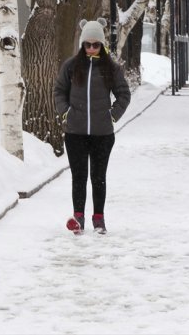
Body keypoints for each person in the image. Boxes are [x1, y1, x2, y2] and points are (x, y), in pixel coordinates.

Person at [54, 18, 131, 235]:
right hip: (75, 133)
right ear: (82, 45)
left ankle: (99, 218)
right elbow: (59, 90)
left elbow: (123, 94)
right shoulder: (71, 66)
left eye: (95, 45)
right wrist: (66, 112)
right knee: (78, 176)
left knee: (98, 177)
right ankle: (78, 217)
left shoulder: (110, 68)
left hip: (102, 134)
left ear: (102, 45)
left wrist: (112, 116)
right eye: (87, 44)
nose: (91, 49)